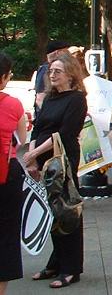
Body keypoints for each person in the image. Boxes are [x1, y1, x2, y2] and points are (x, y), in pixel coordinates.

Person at [23, 54, 88, 288]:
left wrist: (34, 153)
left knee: (67, 210)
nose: (52, 75)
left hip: (62, 161)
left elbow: (65, 133)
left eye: (57, 71)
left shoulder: (77, 99)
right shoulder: (49, 98)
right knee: (50, 212)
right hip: (42, 159)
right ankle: (56, 261)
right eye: (51, 71)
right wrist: (32, 158)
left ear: (70, 74)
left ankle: (71, 268)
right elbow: (37, 128)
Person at [0, 53, 27, 295]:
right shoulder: (13, 104)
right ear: (5, 77)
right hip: (5, 174)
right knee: (6, 235)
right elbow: (22, 139)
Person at [33, 41, 70, 114]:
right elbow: (40, 97)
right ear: (58, 53)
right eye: (66, 51)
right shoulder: (45, 69)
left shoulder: (47, 68)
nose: (69, 54)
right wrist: (52, 115)